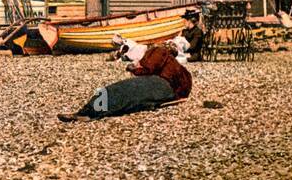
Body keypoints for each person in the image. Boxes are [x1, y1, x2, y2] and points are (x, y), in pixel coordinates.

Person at [59, 40, 192, 121]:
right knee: (130, 96)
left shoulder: (159, 51)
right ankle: (91, 111)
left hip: (163, 85)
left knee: (124, 91)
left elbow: (149, 68)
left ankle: (90, 111)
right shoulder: (176, 65)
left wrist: (134, 69)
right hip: (168, 90)